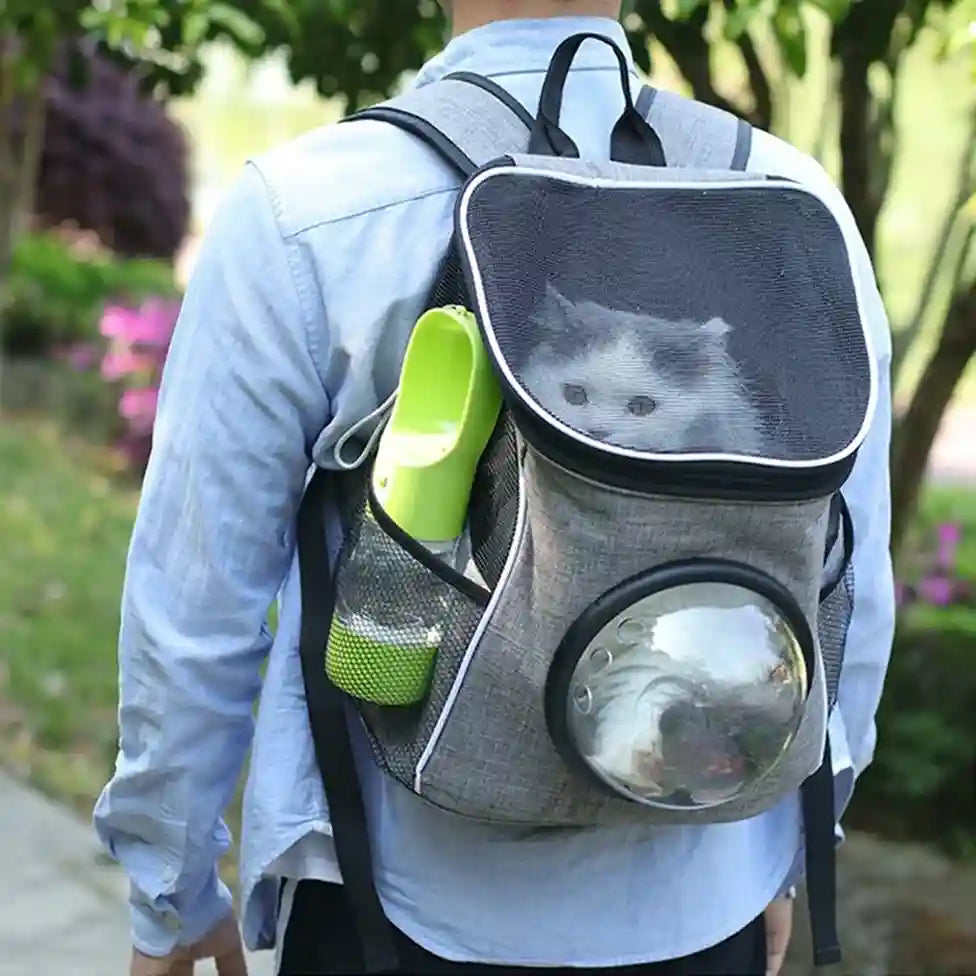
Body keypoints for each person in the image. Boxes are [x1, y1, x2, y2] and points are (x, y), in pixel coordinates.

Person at [94, 2, 896, 975]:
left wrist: (172, 897)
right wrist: (786, 859)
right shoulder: (788, 200)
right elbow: (849, 591)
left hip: (391, 905)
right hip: (699, 898)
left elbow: (194, 610)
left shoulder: (311, 210)